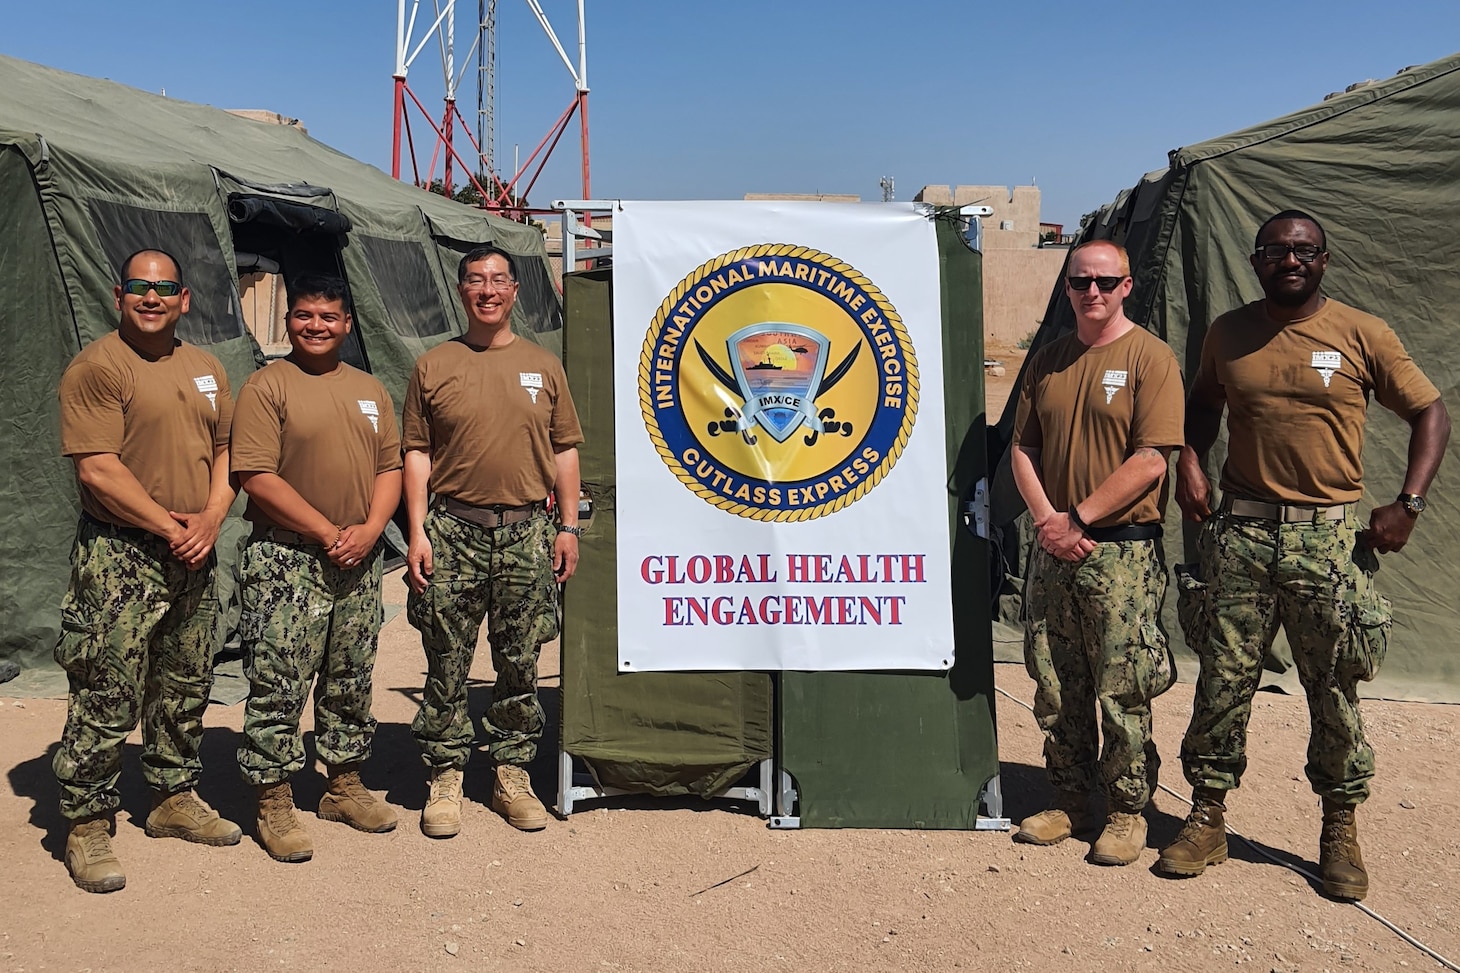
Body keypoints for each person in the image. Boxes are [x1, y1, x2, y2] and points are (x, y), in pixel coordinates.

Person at [1160, 210, 1450, 901]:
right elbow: (1202, 406)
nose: (1290, 260)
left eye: (1304, 250)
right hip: (1241, 534)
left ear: (1325, 259)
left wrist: (1407, 503)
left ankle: (1339, 828)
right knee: (1223, 682)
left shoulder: (1362, 333)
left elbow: (1430, 412)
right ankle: (1207, 817)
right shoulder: (1229, 333)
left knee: (1333, 688)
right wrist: (1189, 464)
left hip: (1326, 539)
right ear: (1257, 261)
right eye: (1277, 251)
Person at [54, 249, 241, 893]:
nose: (152, 297)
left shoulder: (207, 367)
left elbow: (225, 450)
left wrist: (213, 518)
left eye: (165, 288)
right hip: (122, 553)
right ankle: (86, 821)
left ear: (184, 299)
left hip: (194, 548)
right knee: (108, 687)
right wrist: (171, 527)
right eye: (141, 286)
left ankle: (170, 796)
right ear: (119, 294)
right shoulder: (99, 367)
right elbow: (97, 468)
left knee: (185, 680)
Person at [1010, 240, 1185, 866]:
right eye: (1082, 281)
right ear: (1068, 288)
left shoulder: (1150, 359)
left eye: (1106, 281)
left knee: (1123, 684)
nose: (1093, 291)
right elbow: (1023, 449)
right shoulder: (1050, 362)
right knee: (1056, 681)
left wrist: (1079, 517)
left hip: (1119, 555)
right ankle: (1071, 799)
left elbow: (1150, 460)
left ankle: (1126, 810)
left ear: (1127, 286)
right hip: (1054, 546)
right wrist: (1047, 522)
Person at [403, 245, 583, 837]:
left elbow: (563, 450)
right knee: (445, 660)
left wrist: (566, 526)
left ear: (514, 291)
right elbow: (417, 453)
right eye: (476, 280)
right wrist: (417, 532)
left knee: (520, 660)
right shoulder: (434, 365)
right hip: (453, 530)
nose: (488, 290)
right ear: (462, 291)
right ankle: (446, 774)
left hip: (528, 532)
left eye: (498, 280)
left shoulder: (543, 365)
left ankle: (511, 772)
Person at [230, 275, 403, 862]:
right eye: (304, 315)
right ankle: (273, 797)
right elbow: (255, 474)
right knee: (278, 681)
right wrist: (327, 531)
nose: (316, 326)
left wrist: (374, 528)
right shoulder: (267, 386)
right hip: (289, 558)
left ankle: (342, 783)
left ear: (347, 324)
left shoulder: (370, 390)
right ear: (288, 322)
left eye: (328, 317)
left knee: (350, 676)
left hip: (357, 555)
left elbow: (390, 468)